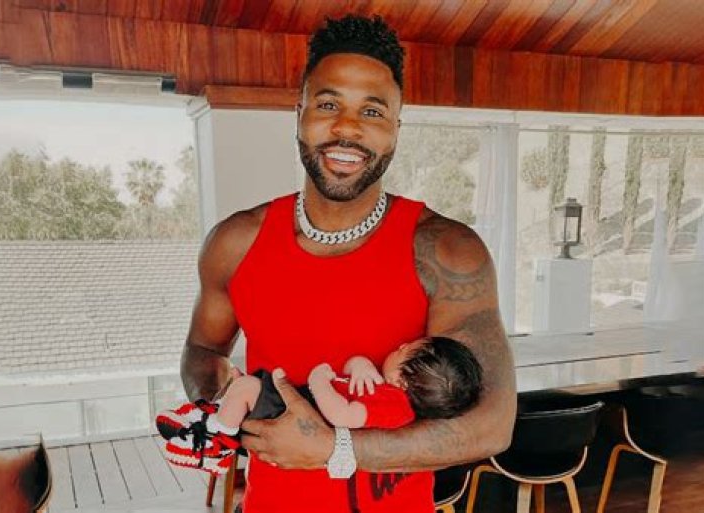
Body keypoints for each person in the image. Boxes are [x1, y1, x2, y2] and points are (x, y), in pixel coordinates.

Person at [180, 14, 516, 513]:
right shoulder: (234, 242)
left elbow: (491, 425)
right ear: (299, 114)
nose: (347, 127)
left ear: (395, 130)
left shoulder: (446, 250)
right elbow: (203, 349)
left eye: (373, 111)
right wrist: (225, 409)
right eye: (328, 103)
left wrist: (335, 449)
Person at [158, 336, 482, 472]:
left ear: (403, 382)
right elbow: (354, 368)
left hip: (299, 412)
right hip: (299, 404)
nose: (400, 344)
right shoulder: (386, 389)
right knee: (243, 389)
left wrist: (318, 381)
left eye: (405, 349)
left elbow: (343, 415)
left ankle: (213, 439)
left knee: (245, 388)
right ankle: (213, 424)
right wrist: (360, 366)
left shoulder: (395, 407)